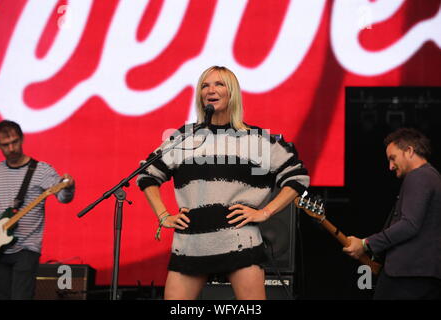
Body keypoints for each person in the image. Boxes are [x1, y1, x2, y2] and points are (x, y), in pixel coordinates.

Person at [137, 66, 309, 300]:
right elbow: (147, 174)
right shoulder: (185, 138)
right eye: (205, 86)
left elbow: (297, 177)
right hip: (190, 244)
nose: (211, 90)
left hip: (240, 242)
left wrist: (266, 212)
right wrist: (163, 215)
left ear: (232, 93)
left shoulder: (256, 140)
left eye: (219, 84)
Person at [343, 128, 441, 300]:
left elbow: (409, 225)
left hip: (406, 275)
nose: (390, 166)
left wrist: (366, 244)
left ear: (409, 151)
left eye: (392, 158)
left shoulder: (418, 176)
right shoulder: (433, 177)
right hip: (423, 275)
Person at [0, 120, 75, 300]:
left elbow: (63, 199)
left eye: (15, 142)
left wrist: (68, 187)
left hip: (27, 247)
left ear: (22, 139)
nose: (12, 148)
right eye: (5, 145)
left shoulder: (42, 170)